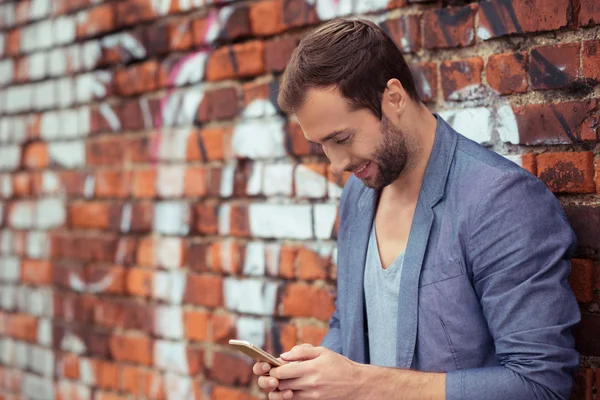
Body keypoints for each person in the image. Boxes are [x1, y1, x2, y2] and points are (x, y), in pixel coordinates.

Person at [252, 18, 581, 400]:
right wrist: (310, 377)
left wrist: (360, 384)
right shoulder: (358, 196)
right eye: (322, 144)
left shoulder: (501, 201)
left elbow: (540, 385)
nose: (336, 163)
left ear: (393, 98)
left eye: (342, 138)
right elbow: (351, 324)